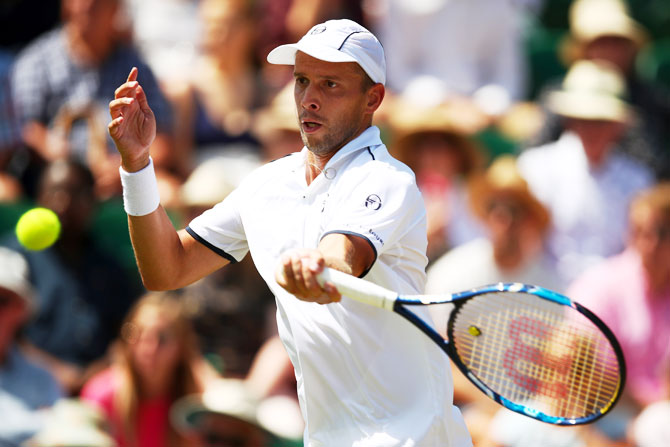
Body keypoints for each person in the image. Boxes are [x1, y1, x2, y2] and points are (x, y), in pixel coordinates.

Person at [108, 18, 472, 446]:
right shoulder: (264, 185)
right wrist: (137, 164)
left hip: (415, 438)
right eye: (302, 81)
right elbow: (166, 269)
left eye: (331, 85)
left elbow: (343, 258)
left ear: (372, 98)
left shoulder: (387, 179)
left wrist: (319, 266)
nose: (309, 99)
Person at [3, 159, 142, 395]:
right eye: (54, 191)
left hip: (99, 390)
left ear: (93, 201)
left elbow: (127, 331)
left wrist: (93, 375)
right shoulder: (13, 259)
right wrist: (56, 372)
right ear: (38, 199)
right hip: (23, 387)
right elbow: (7, 333)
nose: (63, 202)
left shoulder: (109, 265)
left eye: (75, 193)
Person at [9, 0, 174, 199]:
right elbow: (22, 127)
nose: (86, 7)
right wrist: (57, 153)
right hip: (53, 180)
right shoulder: (36, 61)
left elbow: (162, 140)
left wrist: (125, 166)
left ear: (115, 10)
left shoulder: (136, 67)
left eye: (97, 3)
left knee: (167, 192)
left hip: (119, 179)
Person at [517, 59, 655, 285]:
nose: (591, 129)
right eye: (584, 120)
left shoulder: (638, 180)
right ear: (570, 121)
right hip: (545, 297)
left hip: (611, 302)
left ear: (617, 125)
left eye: (600, 121)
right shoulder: (534, 168)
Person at [565, 182, 670, 444]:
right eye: (639, 232)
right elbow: (579, 375)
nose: (650, 243)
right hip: (602, 416)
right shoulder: (599, 285)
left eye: (662, 232)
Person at [80, 291, 217, 447]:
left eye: (162, 339)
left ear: (181, 347)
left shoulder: (196, 403)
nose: (149, 349)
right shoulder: (102, 396)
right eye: (137, 334)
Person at [0, 246, 63, 446]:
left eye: (1, 300)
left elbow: (61, 436)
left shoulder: (42, 378)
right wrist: (35, 425)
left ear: (20, 309)